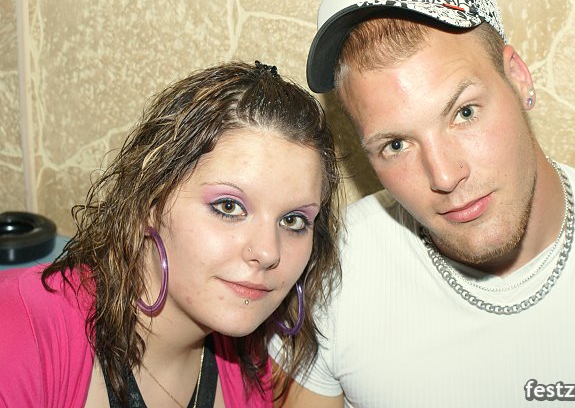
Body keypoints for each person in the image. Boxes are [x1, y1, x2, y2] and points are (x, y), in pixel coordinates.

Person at [271, 0, 575, 407]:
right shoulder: (329, 269)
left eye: (464, 113)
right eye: (396, 145)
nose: (444, 176)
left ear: (518, 78)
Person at [0, 61, 341, 408]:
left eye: (294, 221)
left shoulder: (250, 368)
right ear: (150, 199)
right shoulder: (19, 333)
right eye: (228, 207)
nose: (268, 252)